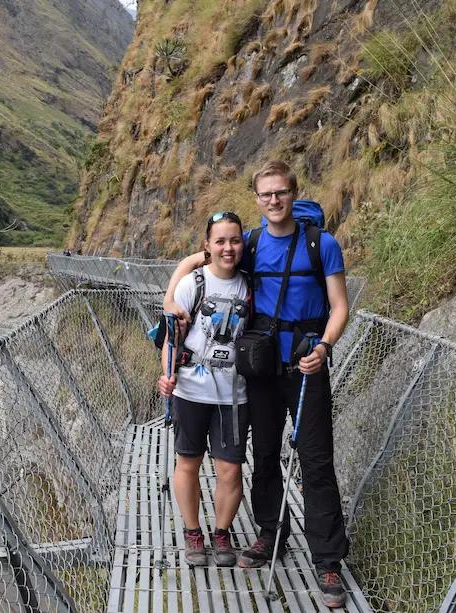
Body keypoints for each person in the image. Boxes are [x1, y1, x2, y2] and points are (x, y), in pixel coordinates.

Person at [162, 161, 350, 608]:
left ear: (292, 192)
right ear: (258, 198)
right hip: (261, 371)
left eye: (280, 192)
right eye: (265, 194)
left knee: (317, 462)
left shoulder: (321, 244)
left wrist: (323, 347)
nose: (273, 200)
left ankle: (328, 559)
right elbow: (202, 257)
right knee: (264, 456)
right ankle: (271, 534)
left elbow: (340, 306)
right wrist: (172, 300)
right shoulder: (251, 242)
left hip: (307, 365)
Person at [157, 211, 251, 567]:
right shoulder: (191, 285)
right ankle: (193, 532)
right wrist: (165, 374)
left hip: (233, 393)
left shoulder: (250, 284)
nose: (228, 248)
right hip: (191, 390)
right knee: (188, 462)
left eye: (235, 240)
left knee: (230, 469)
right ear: (207, 246)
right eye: (220, 241)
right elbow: (172, 338)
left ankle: (222, 532)